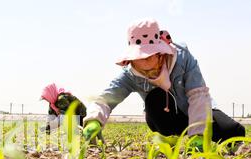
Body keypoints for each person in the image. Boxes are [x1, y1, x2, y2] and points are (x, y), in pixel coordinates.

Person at [82, 19, 245, 149]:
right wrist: (94, 120)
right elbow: (106, 98)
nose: (144, 65)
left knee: (233, 132)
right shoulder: (130, 74)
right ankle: (172, 142)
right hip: (165, 118)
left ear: (160, 54)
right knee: (156, 97)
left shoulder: (182, 59)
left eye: (148, 57)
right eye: (138, 59)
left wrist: (198, 133)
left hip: (195, 110)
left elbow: (198, 95)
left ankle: (196, 139)